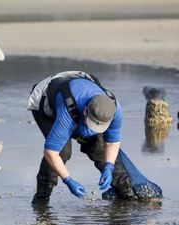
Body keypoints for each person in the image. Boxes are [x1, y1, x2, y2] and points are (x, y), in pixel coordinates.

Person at [27, 71, 124, 205]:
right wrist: (68, 180)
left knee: (99, 148)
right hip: (47, 105)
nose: (92, 130)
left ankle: (125, 193)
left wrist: (109, 167)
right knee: (63, 152)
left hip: (82, 85)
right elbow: (51, 152)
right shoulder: (68, 110)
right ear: (85, 112)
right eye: (92, 124)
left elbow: (112, 143)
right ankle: (41, 199)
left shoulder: (115, 110)